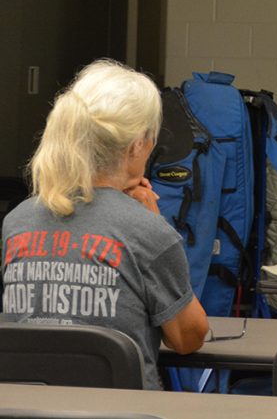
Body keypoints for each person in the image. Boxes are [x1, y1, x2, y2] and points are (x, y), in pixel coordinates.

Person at [1, 59, 208, 390]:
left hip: (26, 408)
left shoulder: (17, 222)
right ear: (136, 145)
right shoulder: (147, 230)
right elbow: (188, 338)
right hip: (124, 411)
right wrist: (152, 222)